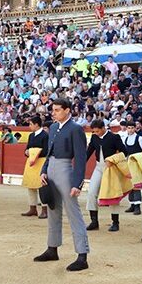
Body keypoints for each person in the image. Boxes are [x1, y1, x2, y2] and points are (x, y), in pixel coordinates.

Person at [33, 98, 90, 272]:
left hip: (66, 169)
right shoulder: (52, 128)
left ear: (67, 110)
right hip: (51, 169)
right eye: (53, 110)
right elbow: (48, 153)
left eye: (57, 110)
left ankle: (82, 255)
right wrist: (44, 169)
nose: (54, 112)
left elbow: (80, 158)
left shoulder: (75, 129)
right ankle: (52, 248)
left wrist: (77, 183)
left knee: (73, 212)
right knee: (52, 209)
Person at [85, 119, 128, 232]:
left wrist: (113, 160)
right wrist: (81, 163)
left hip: (111, 169)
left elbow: (124, 152)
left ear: (104, 128)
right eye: (94, 131)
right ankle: (94, 221)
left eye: (97, 131)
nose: (95, 133)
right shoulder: (94, 137)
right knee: (91, 193)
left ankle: (115, 222)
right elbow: (89, 151)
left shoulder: (114, 137)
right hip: (99, 168)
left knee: (112, 195)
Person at [22, 116, 49, 219]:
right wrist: (27, 152)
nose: (29, 126)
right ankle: (33, 208)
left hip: (41, 162)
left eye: (31, 124)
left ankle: (44, 210)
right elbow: (28, 148)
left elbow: (46, 151)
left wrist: (34, 153)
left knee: (41, 186)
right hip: (31, 163)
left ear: (37, 124)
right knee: (31, 185)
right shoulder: (31, 135)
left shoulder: (45, 136)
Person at [121, 121, 142, 215]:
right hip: (129, 164)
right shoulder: (125, 139)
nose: (130, 130)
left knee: (136, 185)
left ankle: (137, 207)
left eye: (132, 128)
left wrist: (136, 157)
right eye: (129, 128)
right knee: (130, 185)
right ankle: (132, 205)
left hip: (136, 165)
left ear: (135, 128)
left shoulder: (140, 138)